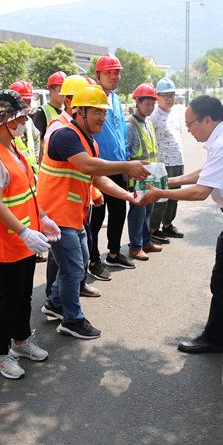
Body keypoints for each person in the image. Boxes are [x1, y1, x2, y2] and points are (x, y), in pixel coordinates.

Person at [143, 96, 223, 354]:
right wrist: (167, 182)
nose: (189, 130)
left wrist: (159, 194)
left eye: (190, 124)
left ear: (208, 120)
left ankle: (213, 339)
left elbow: (200, 192)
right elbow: (204, 173)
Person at [38, 85, 149, 339]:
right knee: (73, 268)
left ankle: (55, 302)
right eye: (97, 111)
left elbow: (98, 178)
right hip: (56, 215)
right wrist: (126, 166)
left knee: (79, 262)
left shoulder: (90, 142)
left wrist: (128, 196)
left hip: (73, 214)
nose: (102, 117)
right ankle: (72, 320)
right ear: (80, 112)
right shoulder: (65, 136)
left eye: (104, 112)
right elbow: (87, 165)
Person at [0, 90, 60, 379]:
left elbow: (28, 190)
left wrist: (43, 218)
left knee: (24, 294)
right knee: (10, 298)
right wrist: (24, 231)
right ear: (5, 120)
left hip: (25, 237)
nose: (25, 122)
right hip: (7, 240)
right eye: (21, 118)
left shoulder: (13, 147)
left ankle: (21, 340)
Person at [43, 75, 102, 297]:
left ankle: (68, 291)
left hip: (77, 203)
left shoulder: (84, 132)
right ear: (69, 101)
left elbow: (89, 170)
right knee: (63, 259)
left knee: (77, 258)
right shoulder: (60, 128)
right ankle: (56, 298)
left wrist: (94, 190)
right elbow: (76, 164)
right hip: (60, 205)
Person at [88, 54, 136, 278]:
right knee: (96, 218)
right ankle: (93, 259)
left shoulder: (115, 99)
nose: (114, 76)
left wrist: (126, 160)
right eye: (109, 72)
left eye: (117, 72)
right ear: (97, 75)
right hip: (97, 168)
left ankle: (114, 253)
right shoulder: (91, 98)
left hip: (117, 165)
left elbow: (120, 131)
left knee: (119, 211)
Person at [126, 83, 163, 261]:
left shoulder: (148, 123)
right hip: (137, 177)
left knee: (148, 211)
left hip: (151, 175)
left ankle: (146, 242)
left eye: (153, 104)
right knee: (138, 213)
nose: (150, 107)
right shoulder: (130, 125)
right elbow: (126, 153)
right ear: (137, 103)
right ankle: (135, 247)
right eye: (147, 104)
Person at [149, 77, 185, 244]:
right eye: (166, 96)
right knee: (161, 198)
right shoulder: (154, 116)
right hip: (162, 163)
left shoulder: (175, 113)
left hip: (178, 160)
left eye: (172, 95)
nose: (169, 99)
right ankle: (153, 229)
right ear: (158, 96)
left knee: (174, 196)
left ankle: (167, 224)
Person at [8, 80, 41, 174]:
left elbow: (36, 137)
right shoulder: (5, 126)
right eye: (27, 102)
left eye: (29, 102)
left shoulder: (28, 121)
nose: (29, 106)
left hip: (32, 174)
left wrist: (35, 159)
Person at [33, 71, 66, 143]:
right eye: (60, 91)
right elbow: (37, 141)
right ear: (51, 91)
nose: (64, 94)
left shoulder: (67, 111)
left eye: (65, 90)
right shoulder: (41, 112)